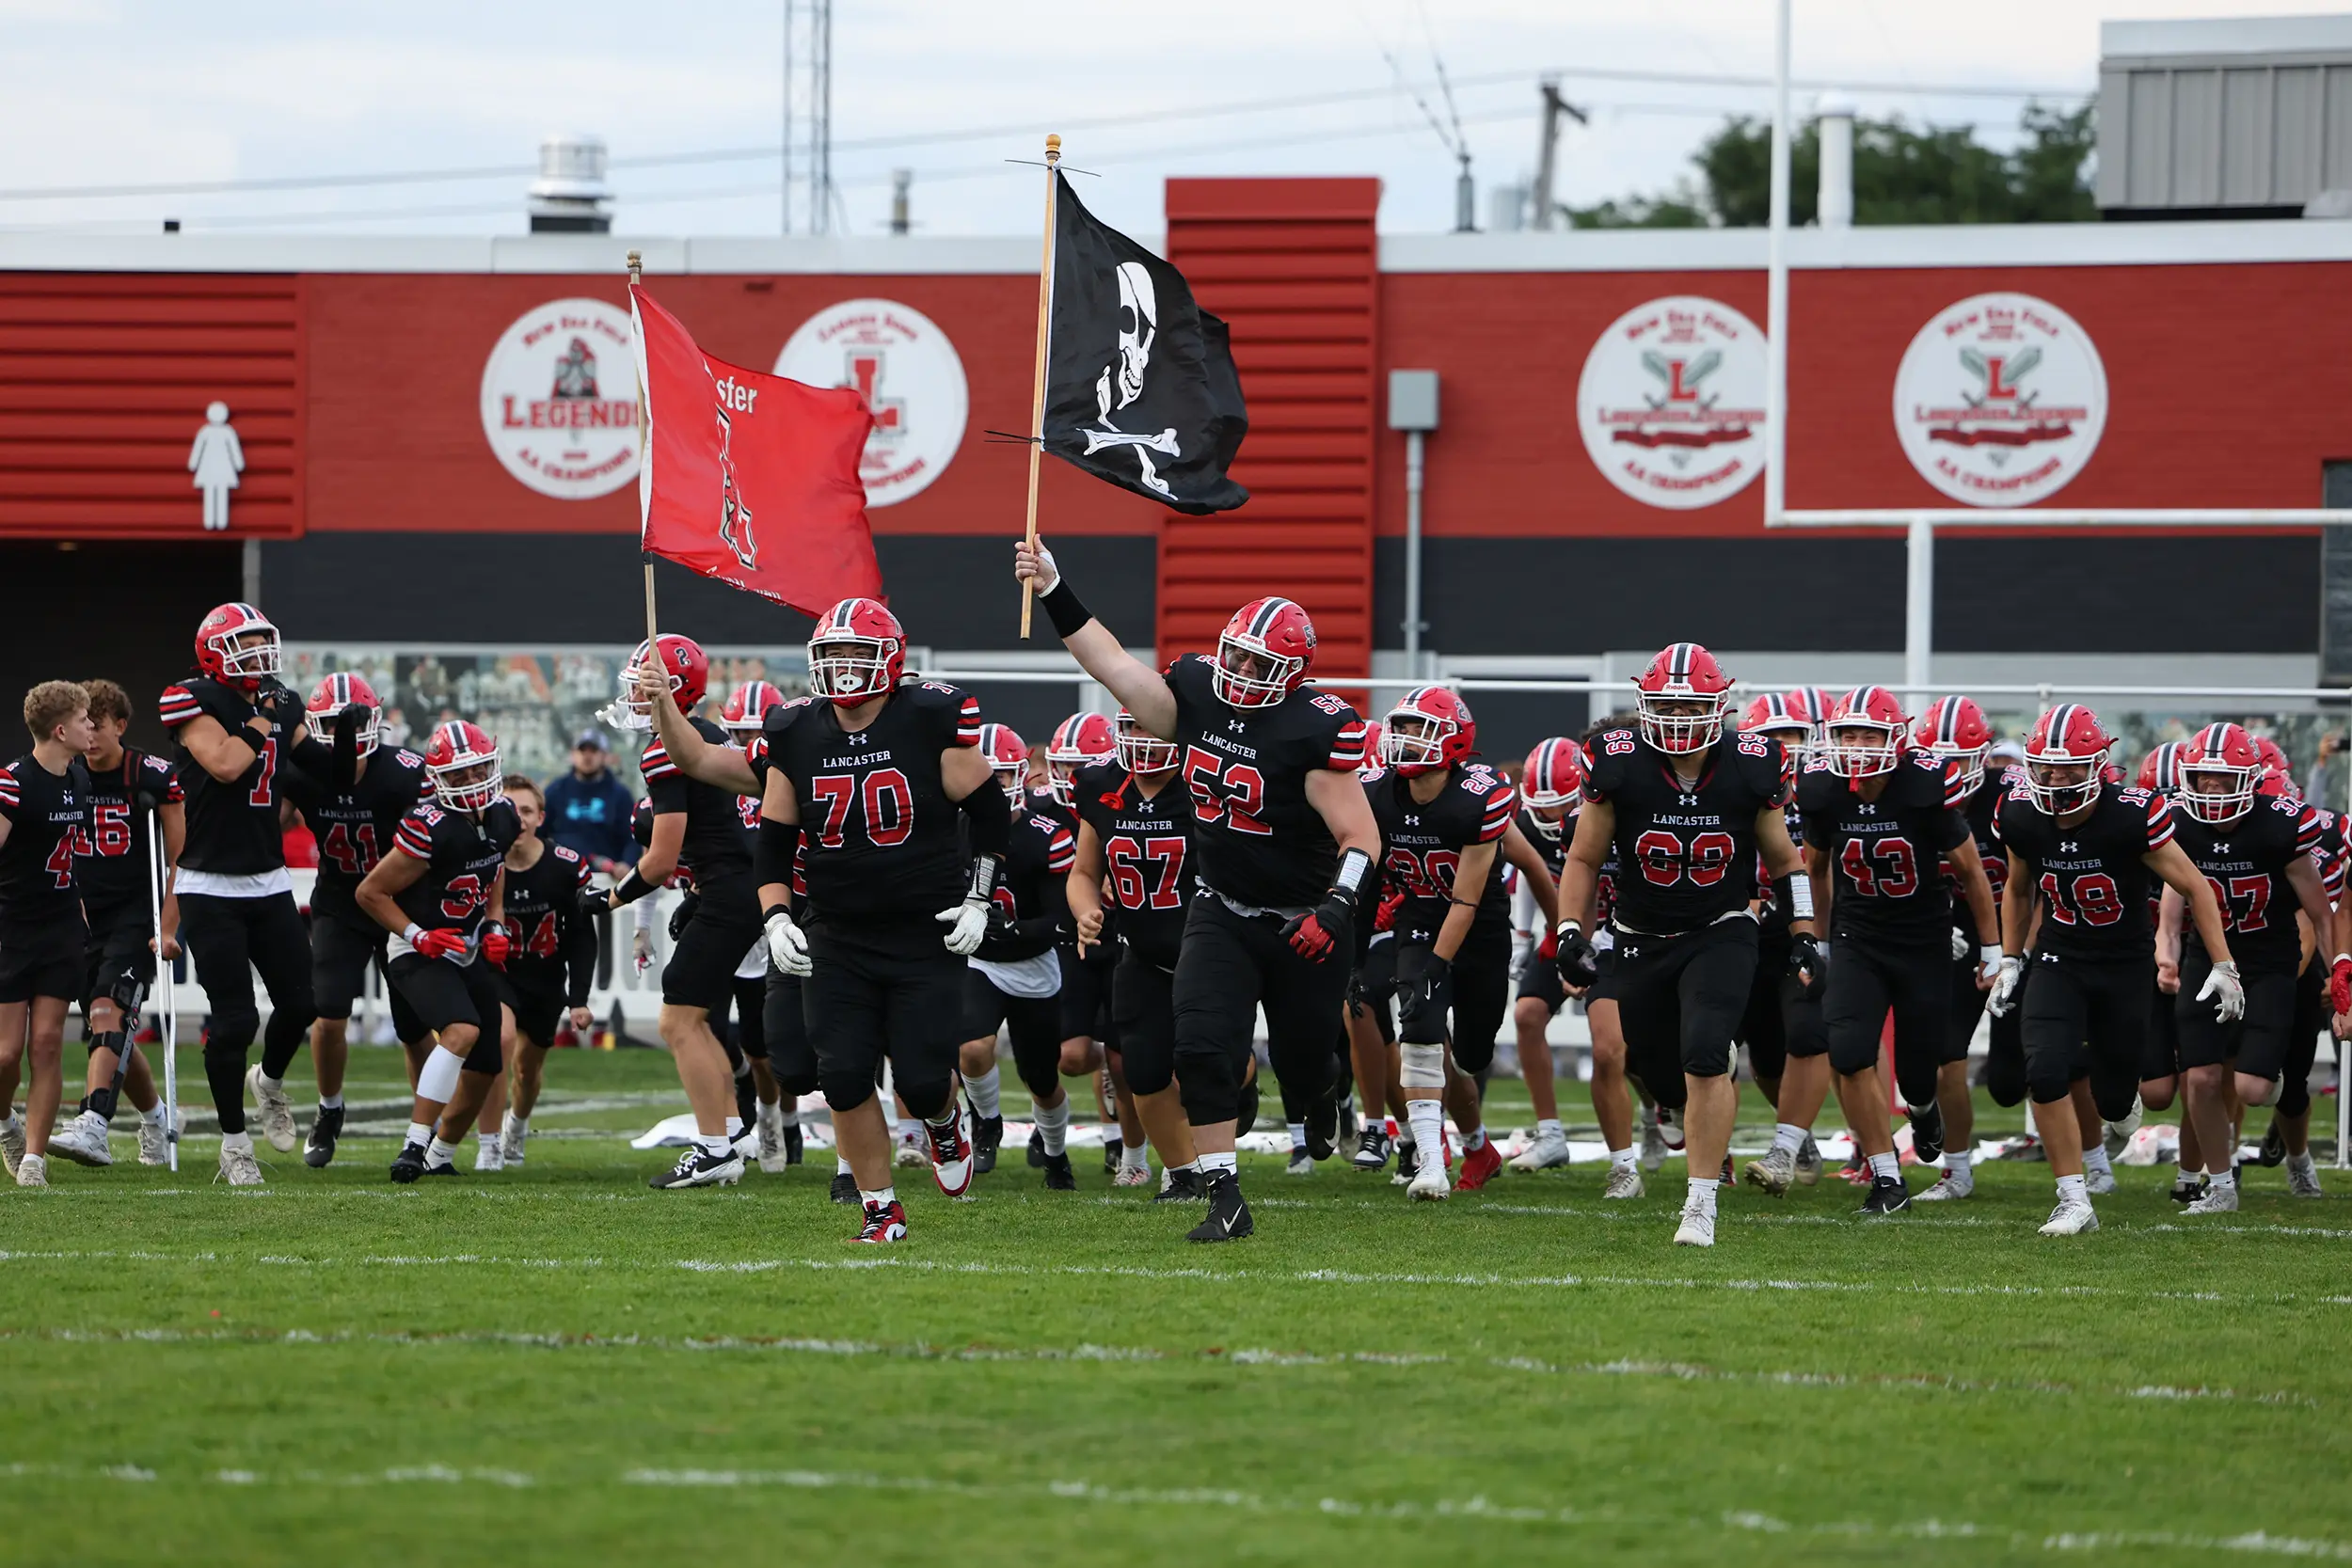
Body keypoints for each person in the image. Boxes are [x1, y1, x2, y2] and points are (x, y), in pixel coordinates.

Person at [1017, 542, 1379, 1243]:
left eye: (1258, 663)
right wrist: (1058, 585)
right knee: (1202, 1048)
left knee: (1306, 1066)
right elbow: (1117, 666)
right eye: (1236, 656)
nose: (1241, 672)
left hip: (1305, 918)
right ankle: (1224, 1195)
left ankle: (1326, 1093)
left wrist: (1337, 907)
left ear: (1292, 673)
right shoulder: (1199, 690)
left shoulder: (1314, 729)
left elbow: (1362, 838)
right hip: (1219, 907)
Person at [648, 597, 1001, 1243]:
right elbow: (726, 792)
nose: (841, 667)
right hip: (837, 929)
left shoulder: (926, 720)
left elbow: (991, 811)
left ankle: (945, 1123)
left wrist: (980, 895)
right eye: (831, 654)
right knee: (840, 1074)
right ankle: (881, 1210)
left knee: (924, 1081)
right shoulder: (798, 731)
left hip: (923, 929)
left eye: (855, 653)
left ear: (890, 660)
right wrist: (779, 916)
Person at [1552, 644, 1812, 1247]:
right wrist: (1570, 930)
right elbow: (1585, 857)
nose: (1676, 716)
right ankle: (1690, 1105)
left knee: (1703, 1050)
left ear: (1718, 705)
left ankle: (1700, 1206)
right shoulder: (1616, 763)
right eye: (1666, 703)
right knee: (1659, 1072)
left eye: (1690, 704)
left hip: (1721, 929)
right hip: (1640, 937)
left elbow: (1784, 861)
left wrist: (1803, 934)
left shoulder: (1753, 762)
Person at [1990, 704, 2240, 1237]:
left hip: (2124, 964)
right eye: (2046, 768)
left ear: (2097, 765)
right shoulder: (2018, 812)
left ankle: (2117, 1102)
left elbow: (2196, 886)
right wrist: (2011, 957)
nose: (2055, 780)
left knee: (2114, 1095)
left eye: (2069, 769)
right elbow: (2017, 887)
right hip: (2059, 956)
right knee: (2046, 1070)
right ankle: (2073, 1198)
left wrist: (2223, 963)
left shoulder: (2131, 812)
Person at [1764, 687, 1999, 1216]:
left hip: (1922, 942)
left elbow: (1971, 873)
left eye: (1870, 734)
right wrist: (1816, 941)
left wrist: (1992, 947)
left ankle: (1922, 1110)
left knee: (1920, 1074)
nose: (1859, 745)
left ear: (1895, 737)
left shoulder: (1922, 786)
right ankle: (1888, 1179)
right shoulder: (1823, 788)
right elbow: (1815, 871)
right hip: (1857, 938)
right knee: (1848, 1052)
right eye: (1849, 734)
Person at [157, 604, 323, 1185]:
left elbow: (319, 766)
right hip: (208, 883)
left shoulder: (277, 699)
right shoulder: (189, 696)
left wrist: (351, 735)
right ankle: (233, 1145)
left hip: (269, 878)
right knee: (234, 1021)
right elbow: (227, 765)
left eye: (262, 641)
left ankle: (269, 1084)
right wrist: (262, 720)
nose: (260, 653)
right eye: (246, 643)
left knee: (303, 1002)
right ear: (215, 650)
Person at [1362, 686, 1548, 1198]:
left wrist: (1562, 932)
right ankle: (1429, 1161)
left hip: (1479, 930)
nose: (1404, 739)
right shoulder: (1376, 792)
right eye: (1401, 727)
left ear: (1454, 740)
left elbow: (1466, 901)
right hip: (1420, 919)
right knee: (1418, 1027)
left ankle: (1477, 1145)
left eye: (1420, 729)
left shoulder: (1477, 798)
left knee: (1468, 1054)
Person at [601, 636, 765, 1190]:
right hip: (734, 887)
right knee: (694, 1020)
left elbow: (662, 858)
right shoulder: (710, 733)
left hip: (725, 890)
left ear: (674, 690)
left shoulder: (665, 749)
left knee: (676, 1020)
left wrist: (610, 899)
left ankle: (714, 1147)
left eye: (644, 685)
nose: (634, 695)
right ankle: (734, 1134)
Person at [2155, 723, 2333, 1214]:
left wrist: (2339, 968)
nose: (2210, 789)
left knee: (2253, 1089)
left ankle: (2267, 1088)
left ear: (2250, 779)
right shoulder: (2179, 823)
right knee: (2202, 1079)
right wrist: (2167, 953)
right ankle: (2220, 1186)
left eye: (2222, 778)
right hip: (2206, 958)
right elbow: (2173, 904)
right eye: (2202, 778)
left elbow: (2321, 911)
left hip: (2268, 960)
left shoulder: (2279, 825)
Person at [278, 672, 434, 1166]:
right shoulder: (303, 772)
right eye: (332, 724)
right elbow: (267, 818)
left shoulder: (408, 772)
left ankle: (423, 1130)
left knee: (414, 1026)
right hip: (341, 904)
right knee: (328, 1015)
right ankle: (329, 1109)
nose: (347, 734)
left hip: (399, 905)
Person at [355, 721, 518, 1180]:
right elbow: (370, 893)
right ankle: (414, 1144)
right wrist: (417, 935)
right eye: (460, 774)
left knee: (487, 1063)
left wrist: (495, 921)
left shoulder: (504, 814)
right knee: (462, 1029)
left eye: (478, 769)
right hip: (417, 948)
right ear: (439, 779)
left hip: (465, 947)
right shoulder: (429, 825)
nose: (472, 781)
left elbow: (494, 867)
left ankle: (441, 1154)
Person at [40, 680, 177, 1169]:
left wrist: (169, 925)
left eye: (97, 724)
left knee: (108, 1011)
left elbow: (181, 855)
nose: (89, 735)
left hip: (135, 916)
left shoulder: (150, 775)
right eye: (83, 725)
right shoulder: (65, 776)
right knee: (109, 1028)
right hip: (80, 916)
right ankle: (158, 1118)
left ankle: (94, 1124)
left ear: (120, 725)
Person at [1070, 708, 1203, 1197]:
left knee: (1208, 1065)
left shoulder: (1206, 778)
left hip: (1208, 953)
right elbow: (1084, 872)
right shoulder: (1101, 782)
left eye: (1153, 725)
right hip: (1141, 951)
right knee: (1141, 1070)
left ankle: (1237, 1102)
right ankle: (1185, 1173)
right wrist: (1086, 912)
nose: (1143, 738)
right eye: (1134, 727)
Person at [958, 722, 1081, 1188]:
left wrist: (1013, 927)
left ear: (1022, 777)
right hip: (980, 962)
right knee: (972, 1047)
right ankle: (987, 1121)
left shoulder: (1046, 834)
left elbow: (1061, 920)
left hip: (1032, 966)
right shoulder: (955, 828)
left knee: (1042, 1080)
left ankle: (1055, 1153)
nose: (993, 787)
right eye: (985, 776)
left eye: (1002, 777)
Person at [1910, 695, 2012, 1202]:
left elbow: (2035, 881)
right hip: (1943, 933)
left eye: (1961, 759)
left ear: (1986, 756)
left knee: (2024, 1074)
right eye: (1938, 759)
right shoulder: (1909, 793)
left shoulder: (2014, 796)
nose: (1949, 771)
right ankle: (1957, 1170)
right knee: (1944, 1057)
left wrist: (2014, 949)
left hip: (2018, 932)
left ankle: (2099, 1156)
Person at [0, 683, 98, 1187]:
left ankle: (34, 1158)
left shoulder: (80, 780)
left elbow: (70, 855)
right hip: (12, 927)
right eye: (85, 719)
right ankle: (5, 1123)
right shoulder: (13, 783)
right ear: (61, 729)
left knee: (46, 1044)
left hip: (61, 927)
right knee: (5, 1053)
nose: (93, 727)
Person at [1731, 689, 1828, 1187]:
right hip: (1750, 928)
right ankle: (1800, 1139)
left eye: (1792, 734)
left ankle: (1784, 1150)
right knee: (1765, 1054)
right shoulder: (1741, 789)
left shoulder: (1828, 790)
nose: (1783, 746)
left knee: (1810, 1032)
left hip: (1812, 927)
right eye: (1771, 736)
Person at [486, 774, 596, 1170]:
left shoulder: (565, 866)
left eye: (526, 810)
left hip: (545, 976)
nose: (516, 819)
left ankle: (516, 1125)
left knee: (527, 1069)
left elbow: (582, 934)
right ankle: (489, 1144)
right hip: (497, 972)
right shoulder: (483, 860)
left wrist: (579, 999)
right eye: (508, 810)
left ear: (540, 817)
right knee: (499, 1044)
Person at [1506, 737, 1581, 1173]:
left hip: (1616, 927)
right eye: (1542, 807)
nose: (1552, 818)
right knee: (1527, 1015)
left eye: (1562, 806)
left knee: (1622, 1042)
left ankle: (1651, 1112)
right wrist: (1522, 936)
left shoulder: (1604, 812)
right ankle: (1550, 1133)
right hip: (1564, 931)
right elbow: (1531, 875)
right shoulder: (1529, 824)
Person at [543, 728, 638, 991]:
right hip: (563, 881)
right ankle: (562, 1006)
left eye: (593, 751)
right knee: (562, 940)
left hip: (604, 883)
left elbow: (631, 837)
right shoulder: (556, 791)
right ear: (573, 755)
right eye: (582, 750)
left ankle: (604, 1007)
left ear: (604, 756)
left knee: (603, 944)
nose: (587, 756)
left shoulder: (618, 794)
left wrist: (627, 864)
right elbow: (540, 833)